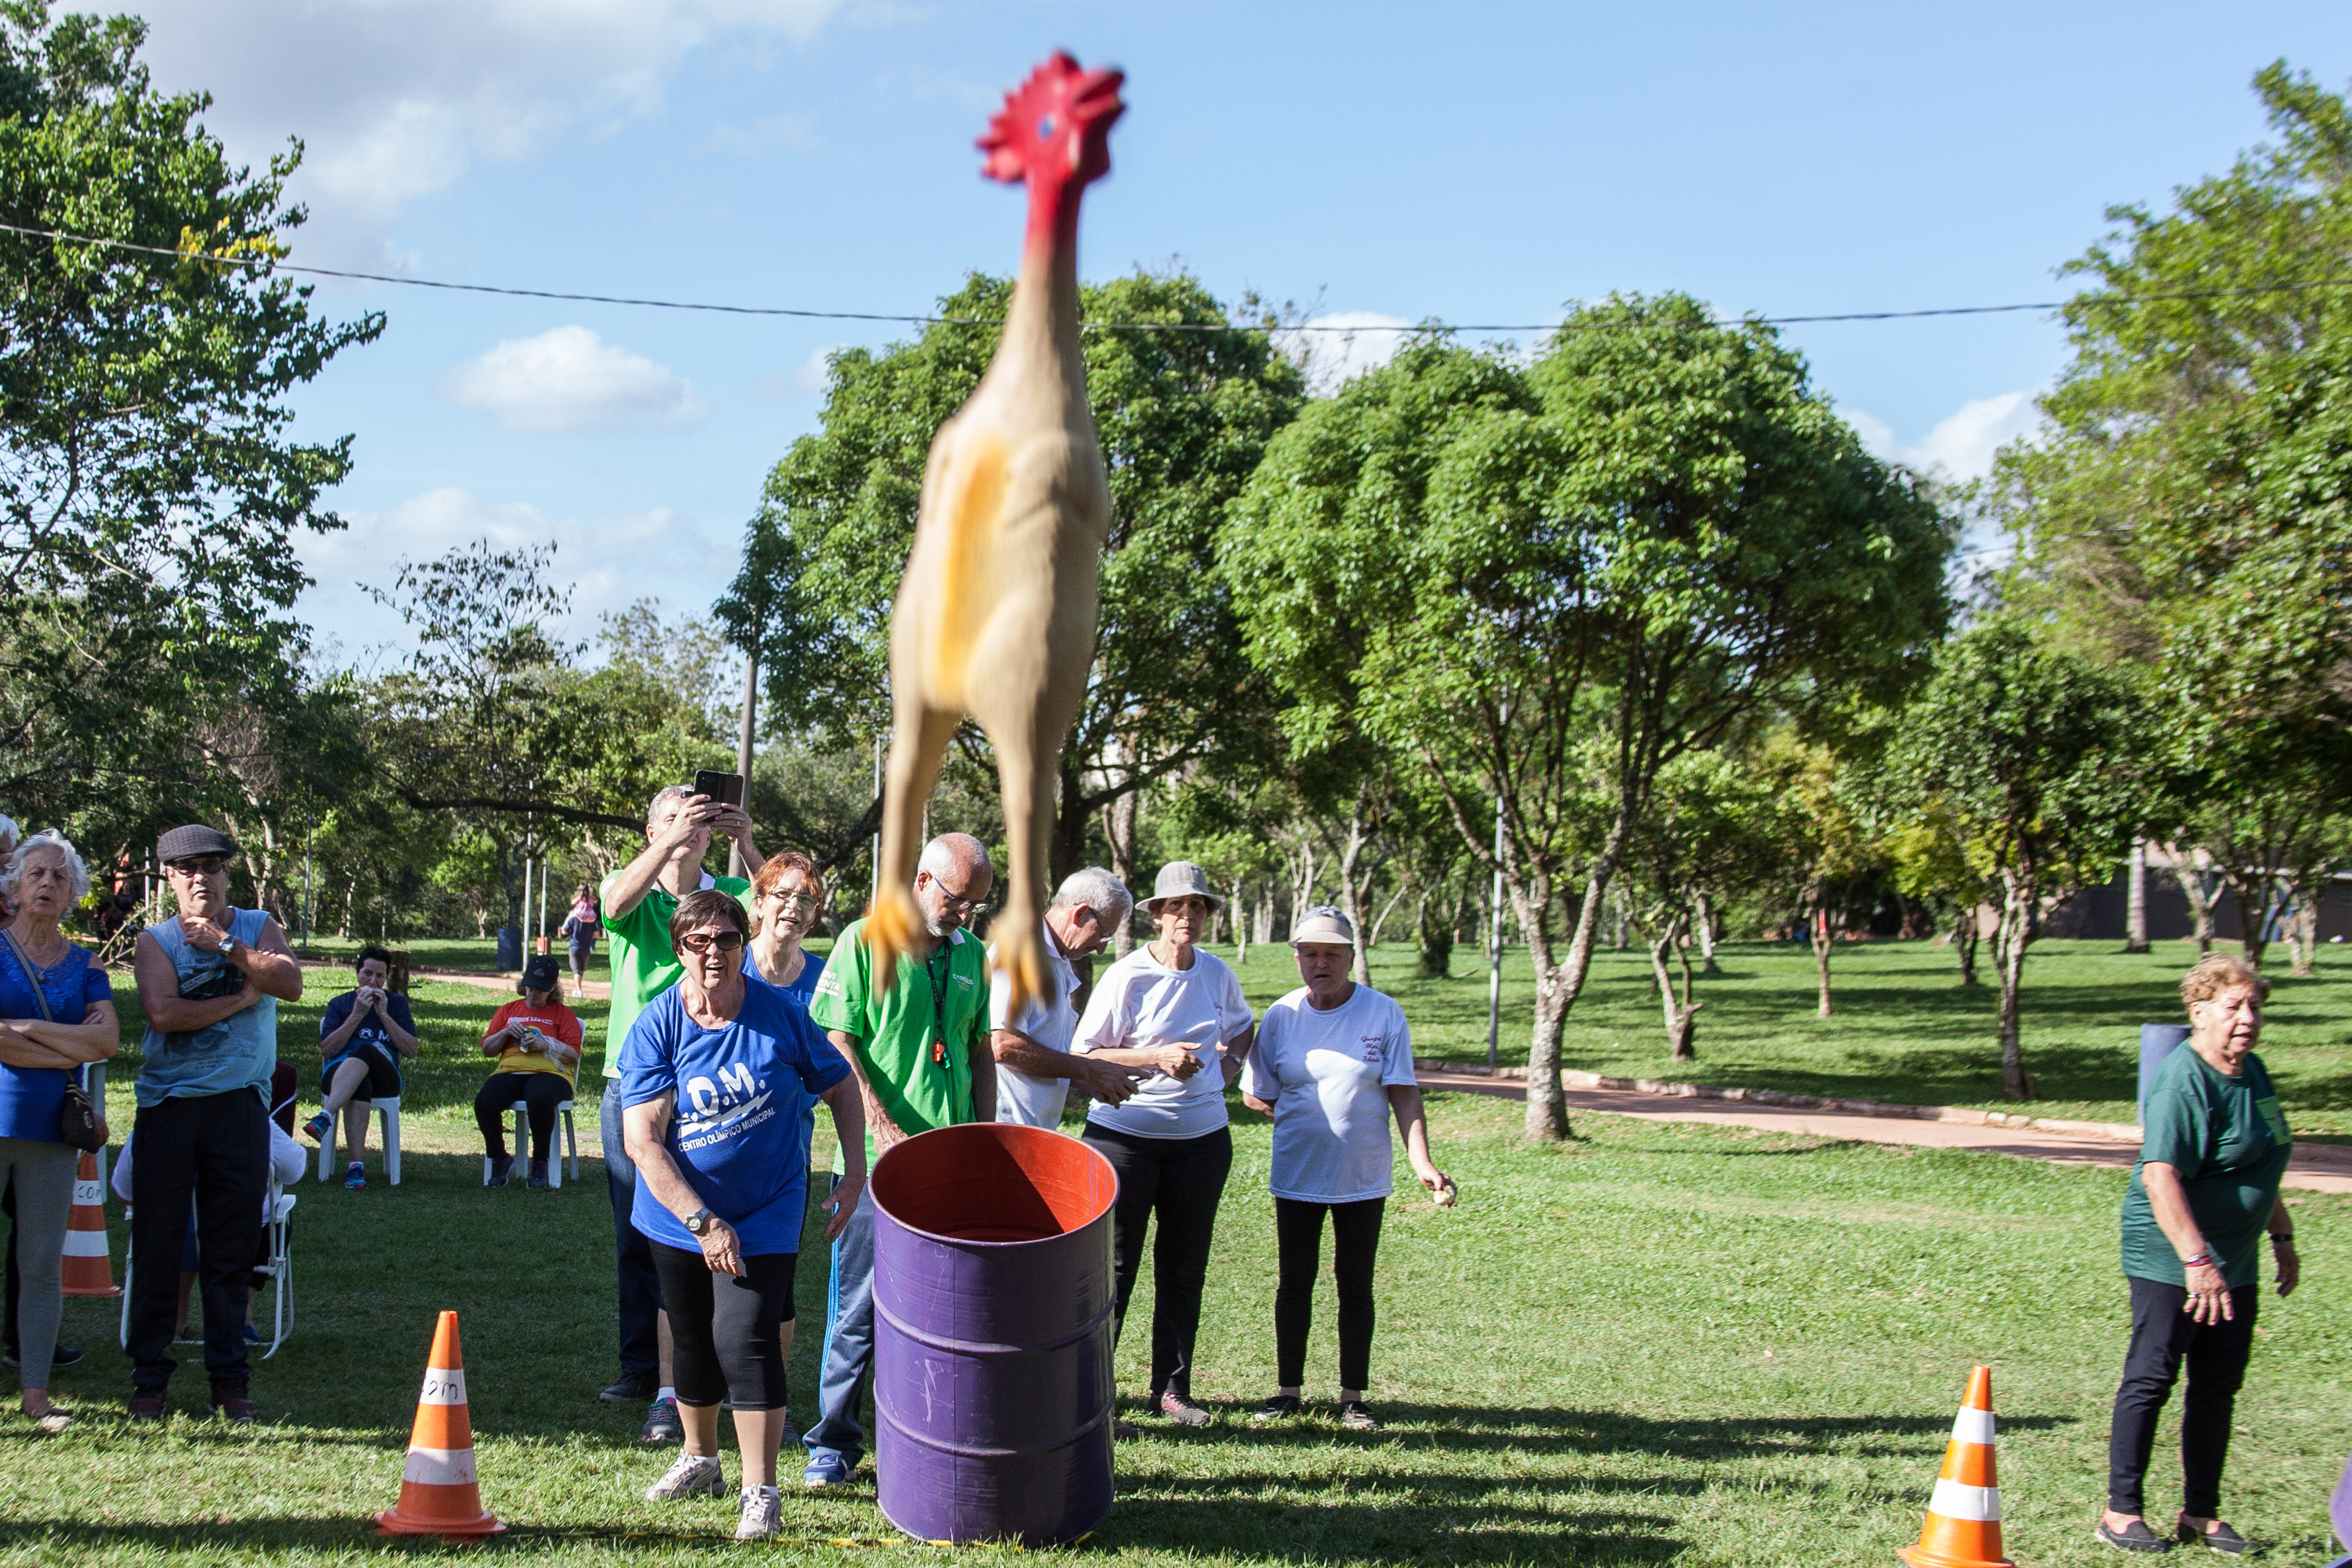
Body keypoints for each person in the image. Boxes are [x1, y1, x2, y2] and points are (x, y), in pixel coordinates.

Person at [621, 889, 866, 1540]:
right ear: (679, 951)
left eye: (726, 941)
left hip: (767, 1205)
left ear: (743, 942)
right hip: (678, 1214)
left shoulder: (779, 1015)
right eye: (698, 943)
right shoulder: (658, 1023)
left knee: (745, 1336)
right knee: (694, 1335)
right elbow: (641, 1139)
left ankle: (761, 1490)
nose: (713, 954)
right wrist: (702, 1221)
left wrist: (855, 1169)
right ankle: (700, 1459)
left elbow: (839, 1082)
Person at [801, 832, 996, 1487]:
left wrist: (985, 1138)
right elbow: (836, 1042)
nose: (964, 915)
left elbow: (979, 1051)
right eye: (957, 900)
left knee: (945, 1311)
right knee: (857, 1308)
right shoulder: (864, 940)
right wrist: (880, 1126)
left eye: (975, 905)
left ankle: (930, 1435)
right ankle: (833, 1443)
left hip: (951, 1164)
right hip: (873, 1166)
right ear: (920, 882)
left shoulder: (973, 955)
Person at [2098, 953, 2298, 1556]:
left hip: (2232, 1260)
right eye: (2233, 1006)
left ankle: (2200, 1514)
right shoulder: (2183, 1079)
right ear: (2198, 1012)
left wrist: (2280, 1236)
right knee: (2151, 1377)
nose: (2247, 1018)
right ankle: (2120, 1512)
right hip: (2172, 1257)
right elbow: (2160, 1176)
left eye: (2254, 1007)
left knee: (2216, 1386)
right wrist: (2195, 1261)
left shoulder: (2253, 1072)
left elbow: (2264, 1163)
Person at [1240, 906, 1450, 1433]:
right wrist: (1301, 1118)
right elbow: (1256, 1093)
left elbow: (1403, 1091)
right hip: (1297, 1174)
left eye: (1332, 953)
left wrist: (1420, 1160)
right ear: (1296, 959)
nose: (1320, 963)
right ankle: (1288, 1390)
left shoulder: (1383, 1014)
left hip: (1363, 1176)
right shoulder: (1282, 1016)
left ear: (1350, 958)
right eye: (1310, 953)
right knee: (1294, 1282)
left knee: (1354, 1285)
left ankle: (1353, 1398)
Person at [596, 784, 764, 1434]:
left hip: (714, 1084)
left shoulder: (724, 896)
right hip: (636, 1085)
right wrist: (672, 839)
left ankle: (704, 1365)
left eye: (697, 819)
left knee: (707, 1222)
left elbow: (777, 909)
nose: (689, 827)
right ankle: (642, 1365)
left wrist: (747, 844)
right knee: (639, 1230)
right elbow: (614, 903)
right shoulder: (636, 889)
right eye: (671, 819)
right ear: (650, 831)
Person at [125, 823, 303, 1423]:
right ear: (169, 879)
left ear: (229, 872)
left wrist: (228, 949)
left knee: (231, 1252)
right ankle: (149, 1380)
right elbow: (164, 1014)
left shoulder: (257, 926)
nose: (200, 876)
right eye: (187, 869)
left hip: (239, 1109)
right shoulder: (154, 942)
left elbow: (290, 983)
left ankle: (230, 1381)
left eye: (211, 865)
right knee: (157, 1248)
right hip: (169, 1108)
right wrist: (242, 996)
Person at [1071, 860, 1256, 1430]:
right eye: (1176, 906)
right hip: (1123, 1140)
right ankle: (1094, 1396)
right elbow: (1086, 1057)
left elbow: (1242, 1031)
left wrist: (1219, 1080)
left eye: (1197, 906)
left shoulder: (1218, 974)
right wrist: (1156, 1059)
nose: (1187, 916)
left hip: (1201, 1144)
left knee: (1183, 1268)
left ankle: (1172, 1391)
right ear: (1155, 916)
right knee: (1112, 1269)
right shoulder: (1127, 976)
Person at [0, 832, 121, 1432]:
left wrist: (22, 1029)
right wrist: (63, 1049)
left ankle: (36, 1396)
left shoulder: (85, 964)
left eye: (59, 876)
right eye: (36, 874)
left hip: (53, 1132)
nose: (47, 883)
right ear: (14, 887)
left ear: (72, 893)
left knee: (42, 1265)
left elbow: (106, 1042)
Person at [111, 1107, 307, 1345]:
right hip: (239, 1239)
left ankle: (175, 1316)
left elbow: (123, 1189)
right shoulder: (251, 1118)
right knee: (274, 1213)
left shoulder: (155, 1118)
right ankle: (240, 1310)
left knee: (185, 1222)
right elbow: (294, 1169)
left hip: (171, 1240)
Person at [989, 867, 1145, 1129]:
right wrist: (1088, 1069)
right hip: (1004, 1129)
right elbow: (1003, 1045)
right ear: (1081, 914)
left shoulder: (1055, 960)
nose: (1100, 949)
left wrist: (1088, 1081)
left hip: (1032, 1128)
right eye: (1103, 934)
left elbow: (1043, 1048)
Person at [302, 946, 419, 1189]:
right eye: (367, 974)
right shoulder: (340, 1004)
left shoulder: (396, 1004)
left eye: (380, 976)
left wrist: (384, 1016)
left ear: (386, 978)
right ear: (358, 973)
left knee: (367, 1049)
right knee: (359, 1083)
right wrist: (356, 1015)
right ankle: (356, 1168)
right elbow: (328, 1050)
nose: (373, 982)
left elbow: (411, 1050)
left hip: (385, 1076)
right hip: (339, 1074)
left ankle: (326, 1115)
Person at [475, 955, 584, 1188]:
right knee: (485, 1102)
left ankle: (541, 1162)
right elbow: (487, 1050)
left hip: (551, 1072)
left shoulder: (563, 1014)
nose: (533, 993)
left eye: (541, 989)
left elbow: (574, 1055)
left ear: (553, 988)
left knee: (540, 1097)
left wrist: (548, 1045)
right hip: (511, 1070)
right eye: (530, 986)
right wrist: (505, 1033)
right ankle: (500, 1158)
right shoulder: (508, 1011)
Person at [743, 852, 827, 1008]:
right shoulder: (730, 967)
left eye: (806, 898)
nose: (794, 905)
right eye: (783, 894)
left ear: (816, 915)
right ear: (760, 904)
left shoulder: (825, 979)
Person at [560, 884, 601, 997]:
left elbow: (564, 931)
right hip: (586, 947)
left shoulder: (574, 916)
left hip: (574, 946)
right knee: (581, 970)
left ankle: (578, 991)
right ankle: (578, 989)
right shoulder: (592, 917)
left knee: (576, 970)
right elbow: (597, 934)